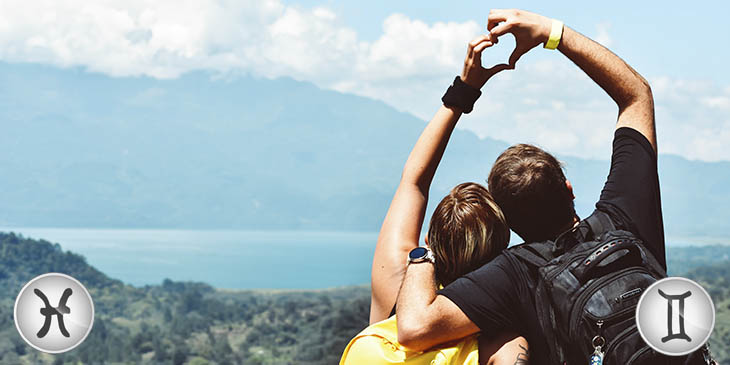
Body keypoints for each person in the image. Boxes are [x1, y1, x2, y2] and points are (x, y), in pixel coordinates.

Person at [394, 8, 705, 363]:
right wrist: (550, 33)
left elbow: (414, 327)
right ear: (569, 189)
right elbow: (636, 94)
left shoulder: (514, 276)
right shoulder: (625, 217)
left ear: (508, 223)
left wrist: (425, 253)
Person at [366, 33, 529, 364]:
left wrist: (464, 91)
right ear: (501, 251)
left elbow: (414, 180)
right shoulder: (502, 342)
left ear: (428, 240)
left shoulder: (395, 283)